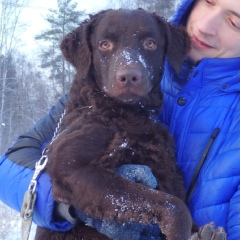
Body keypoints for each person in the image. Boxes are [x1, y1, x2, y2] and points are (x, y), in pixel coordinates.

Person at [0, 0, 239, 239]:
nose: (127, 68)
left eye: (234, 21)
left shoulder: (151, 113)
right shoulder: (88, 102)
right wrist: (69, 207)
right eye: (209, 1)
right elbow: (15, 166)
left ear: (164, 48)